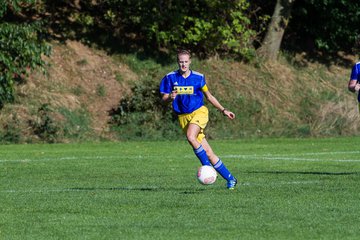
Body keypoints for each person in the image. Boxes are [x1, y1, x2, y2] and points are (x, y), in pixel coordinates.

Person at [159, 49, 238, 190]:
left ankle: (206, 167)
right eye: (181, 62)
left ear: (190, 62)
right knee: (208, 152)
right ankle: (231, 179)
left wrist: (223, 110)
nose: (183, 64)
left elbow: (209, 96)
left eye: (185, 62)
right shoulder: (169, 78)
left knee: (191, 137)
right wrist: (169, 97)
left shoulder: (199, 77)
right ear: (178, 62)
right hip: (183, 117)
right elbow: (163, 99)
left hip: (199, 112)